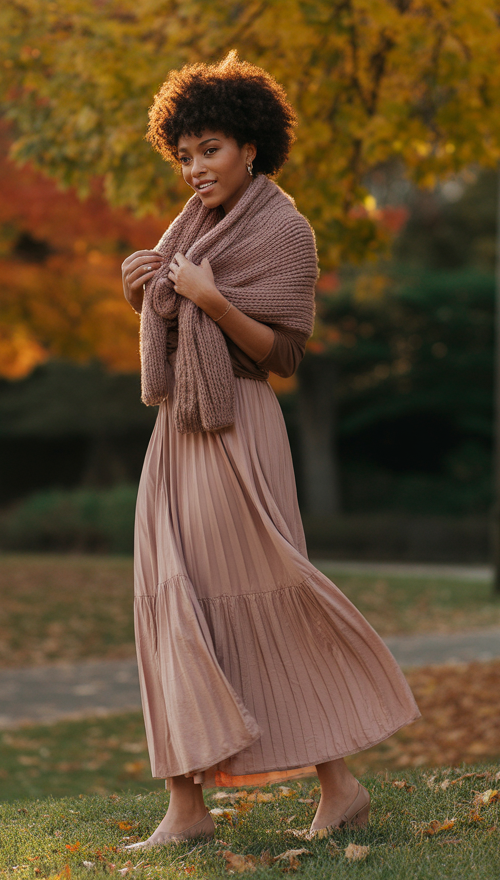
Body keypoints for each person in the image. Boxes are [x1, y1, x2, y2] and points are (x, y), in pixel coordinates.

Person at [120, 52, 419, 851]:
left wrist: (210, 298)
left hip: (239, 429)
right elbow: (173, 326)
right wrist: (161, 291)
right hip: (177, 433)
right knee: (171, 599)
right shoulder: (188, 230)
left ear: (251, 146)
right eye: (183, 155)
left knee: (270, 596)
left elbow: (283, 355)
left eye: (208, 149)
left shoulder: (286, 230)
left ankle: (340, 783)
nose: (193, 168)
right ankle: (186, 808)